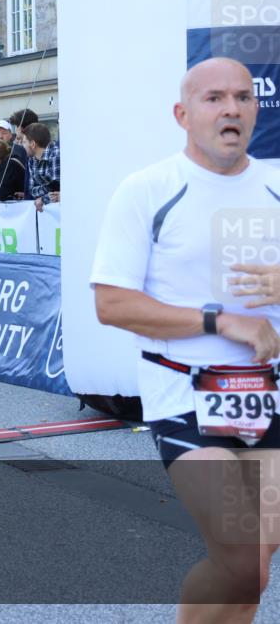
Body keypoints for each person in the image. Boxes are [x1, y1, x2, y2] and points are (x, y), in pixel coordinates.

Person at [92, 57, 280, 622]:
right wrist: (220, 322)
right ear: (182, 113)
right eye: (214, 98)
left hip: (270, 394)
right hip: (186, 395)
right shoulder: (148, 190)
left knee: (253, 569)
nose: (230, 109)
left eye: (242, 97)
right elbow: (112, 304)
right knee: (243, 560)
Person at [24, 122, 61, 211]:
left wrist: (43, 199)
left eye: (24, 142)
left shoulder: (56, 154)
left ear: (33, 144)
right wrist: (49, 191)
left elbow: (59, 189)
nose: (22, 146)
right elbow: (32, 190)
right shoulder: (31, 160)